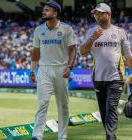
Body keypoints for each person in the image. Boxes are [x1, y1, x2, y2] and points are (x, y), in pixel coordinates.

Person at [80, 3, 132, 140]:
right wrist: (93, 38)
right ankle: (112, 136)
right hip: (98, 78)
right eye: (95, 14)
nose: (97, 16)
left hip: (116, 78)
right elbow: (82, 52)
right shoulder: (91, 32)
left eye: (100, 13)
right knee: (103, 113)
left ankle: (110, 138)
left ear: (108, 14)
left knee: (111, 108)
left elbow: (128, 56)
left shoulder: (119, 32)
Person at [29, 1, 77, 140]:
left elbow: (72, 50)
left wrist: (69, 66)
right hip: (44, 70)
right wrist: (32, 71)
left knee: (63, 105)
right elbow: (36, 52)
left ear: (55, 13)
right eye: (44, 10)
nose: (44, 12)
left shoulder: (67, 29)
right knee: (42, 103)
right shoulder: (39, 30)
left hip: (61, 69)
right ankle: (37, 135)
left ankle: (62, 137)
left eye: (47, 10)